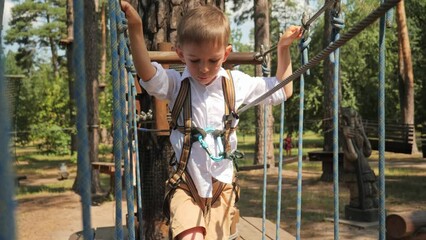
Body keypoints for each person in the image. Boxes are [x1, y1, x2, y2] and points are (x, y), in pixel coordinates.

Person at [121, 2, 302, 239]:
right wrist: (136, 27)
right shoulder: (176, 85)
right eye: (195, 61)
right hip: (185, 185)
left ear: (226, 54)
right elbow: (147, 74)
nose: (204, 69)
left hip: (222, 188)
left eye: (213, 61)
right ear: (180, 54)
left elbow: (282, 91)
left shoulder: (236, 84)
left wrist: (283, 49)